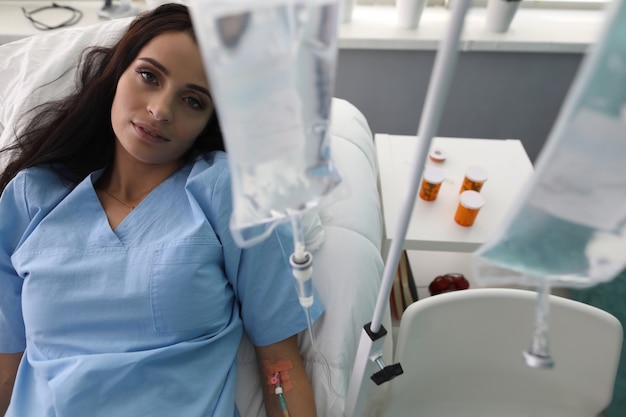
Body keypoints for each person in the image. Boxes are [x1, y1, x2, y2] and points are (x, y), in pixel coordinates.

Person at [0, 4, 322, 417]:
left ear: (209, 119)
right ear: (117, 72)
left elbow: (279, 361)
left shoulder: (229, 194)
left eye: (192, 100)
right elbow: (7, 363)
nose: (161, 109)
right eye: (148, 76)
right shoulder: (31, 196)